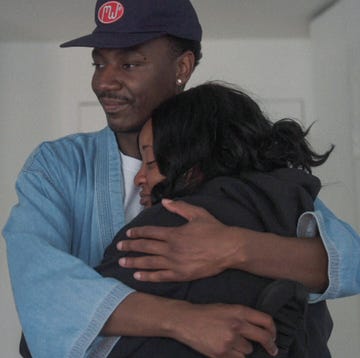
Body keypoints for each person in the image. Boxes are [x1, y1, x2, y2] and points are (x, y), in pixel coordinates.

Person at [2, 0, 359, 357]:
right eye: (98, 63)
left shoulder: (235, 161)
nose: (104, 81)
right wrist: (182, 319)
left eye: (129, 62)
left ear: (182, 67)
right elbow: (40, 285)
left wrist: (232, 248)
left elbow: (349, 261)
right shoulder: (58, 166)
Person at [97, 82, 333, 358]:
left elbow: (82, 320)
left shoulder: (168, 223)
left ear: (188, 155)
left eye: (150, 162)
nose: (139, 178)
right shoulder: (299, 213)